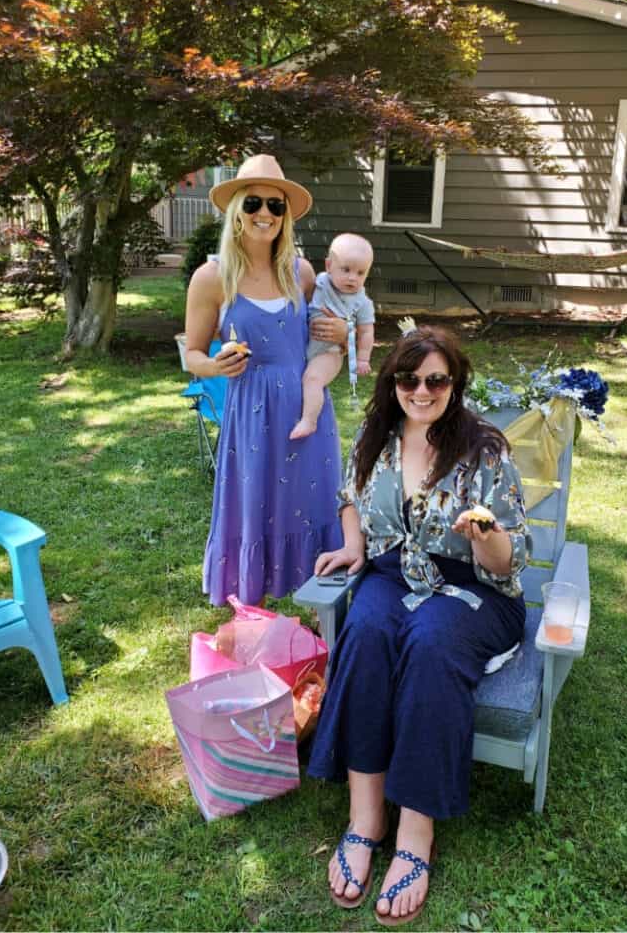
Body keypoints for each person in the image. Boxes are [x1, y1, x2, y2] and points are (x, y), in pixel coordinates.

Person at [307, 325, 529, 926]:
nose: (422, 391)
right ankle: (365, 818)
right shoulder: (378, 433)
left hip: (473, 587)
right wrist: (354, 545)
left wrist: (485, 538)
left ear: (454, 384)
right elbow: (347, 493)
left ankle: (415, 833)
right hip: (392, 573)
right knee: (367, 632)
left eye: (436, 380)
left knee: (431, 644)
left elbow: (511, 561)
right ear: (393, 381)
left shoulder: (484, 448)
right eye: (409, 379)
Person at [184, 154, 346, 606]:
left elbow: (320, 339)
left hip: (305, 408)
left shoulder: (303, 273)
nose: (265, 214)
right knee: (256, 504)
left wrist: (344, 335)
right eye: (254, 203)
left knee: (313, 500)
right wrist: (215, 366)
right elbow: (193, 354)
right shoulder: (212, 278)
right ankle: (254, 592)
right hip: (251, 413)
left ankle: (318, 592)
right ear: (236, 208)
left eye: (276, 206)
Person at [290, 233, 375, 440]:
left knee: (313, 379)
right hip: (306, 344)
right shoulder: (318, 282)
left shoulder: (362, 302)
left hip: (329, 352)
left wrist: (363, 358)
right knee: (302, 380)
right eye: (346, 270)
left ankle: (309, 421)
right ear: (329, 265)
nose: (352, 278)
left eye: (360, 273)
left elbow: (366, 331)